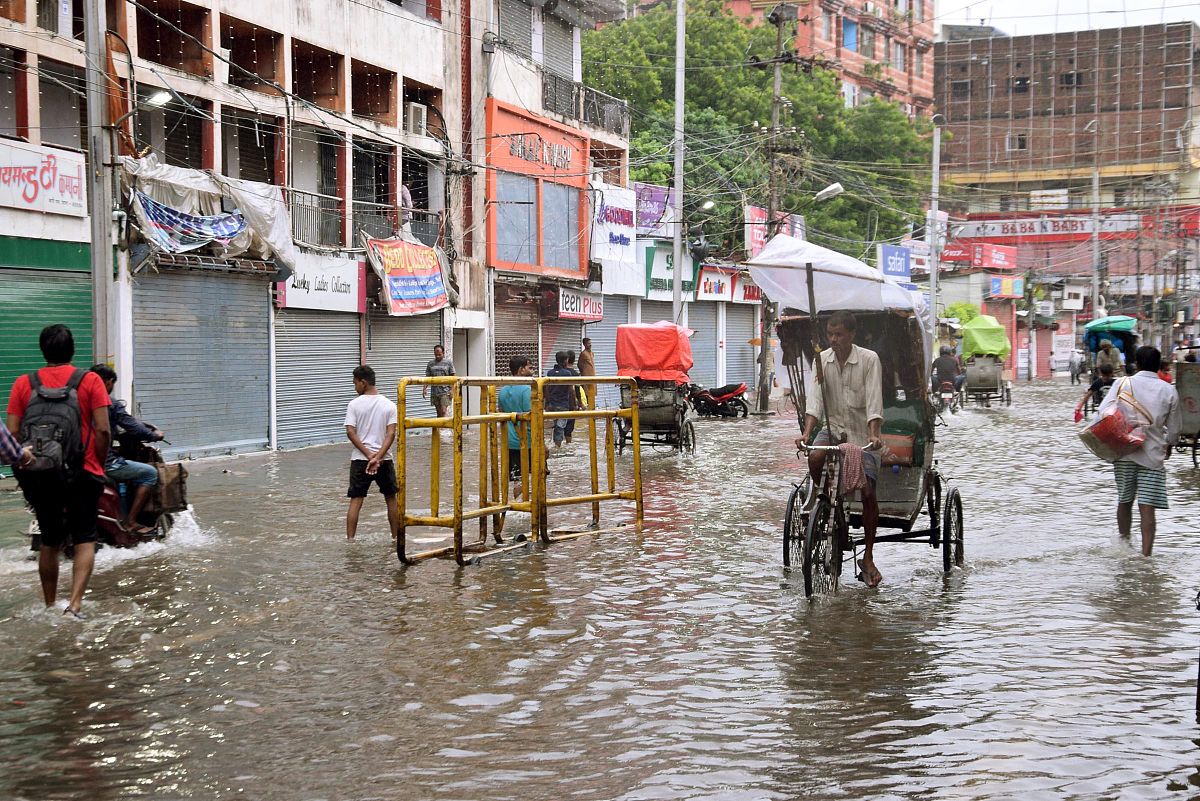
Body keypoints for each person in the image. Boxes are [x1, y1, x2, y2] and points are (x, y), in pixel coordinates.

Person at [6, 324, 111, 619]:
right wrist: (98, 465)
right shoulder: (90, 380)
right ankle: (74, 605)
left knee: (50, 541)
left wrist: (27, 468)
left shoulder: (23, 383)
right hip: (83, 471)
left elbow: (13, 433)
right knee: (84, 538)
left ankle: (49, 605)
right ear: (72, 350)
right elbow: (103, 429)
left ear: (43, 350)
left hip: (41, 473)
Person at [798, 311, 885, 587]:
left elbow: (874, 402)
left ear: (851, 335)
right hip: (833, 430)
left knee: (868, 492)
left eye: (839, 335)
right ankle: (824, 504)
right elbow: (814, 403)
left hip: (861, 436)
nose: (833, 340)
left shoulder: (869, 360)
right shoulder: (821, 361)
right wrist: (807, 432)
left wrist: (874, 434)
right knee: (814, 457)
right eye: (830, 335)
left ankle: (868, 556)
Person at [1096, 346, 1180, 556]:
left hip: (1124, 451)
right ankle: (1146, 556)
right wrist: (1168, 444)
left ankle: (1124, 547)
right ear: (1158, 364)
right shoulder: (1168, 390)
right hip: (1152, 455)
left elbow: (1103, 412)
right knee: (1147, 507)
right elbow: (1175, 430)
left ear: (1138, 364)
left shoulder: (1122, 383)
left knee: (1125, 500)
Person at [90, 365, 165, 537]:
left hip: (77, 462)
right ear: (108, 382)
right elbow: (133, 427)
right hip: (104, 462)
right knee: (149, 474)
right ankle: (130, 522)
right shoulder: (110, 403)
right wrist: (155, 435)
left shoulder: (77, 401)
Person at [344, 365, 398, 541]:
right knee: (391, 498)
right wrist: (378, 456)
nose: (355, 387)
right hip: (385, 460)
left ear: (363, 382)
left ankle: (350, 541)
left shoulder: (354, 405)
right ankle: (396, 539)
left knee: (356, 500)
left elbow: (350, 432)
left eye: (355, 384)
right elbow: (391, 434)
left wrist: (369, 456)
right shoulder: (389, 405)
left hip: (361, 460)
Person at [498, 356, 534, 499]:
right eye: (529, 367)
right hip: (527, 441)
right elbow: (531, 417)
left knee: (517, 479)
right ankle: (532, 511)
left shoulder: (503, 390)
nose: (531, 370)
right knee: (535, 476)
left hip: (509, 441)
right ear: (521, 370)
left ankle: (516, 508)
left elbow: (500, 412)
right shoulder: (527, 389)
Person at [545, 351, 577, 449]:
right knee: (560, 427)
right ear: (566, 361)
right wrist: (574, 405)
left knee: (558, 426)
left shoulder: (549, 373)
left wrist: (547, 403)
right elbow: (571, 390)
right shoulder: (567, 373)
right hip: (563, 405)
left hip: (553, 405)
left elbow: (546, 389)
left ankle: (557, 446)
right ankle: (557, 448)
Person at [422, 345, 455, 418]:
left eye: (439, 354)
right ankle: (438, 429)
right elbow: (428, 377)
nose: (437, 356)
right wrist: (424, 388)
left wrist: (452, 390)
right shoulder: (430, 363)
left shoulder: (448, 363)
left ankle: (444, 428)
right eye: (436, 354)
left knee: (443, 411)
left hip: (445, 391)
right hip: (435, 391)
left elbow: (453, 377)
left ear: (443, 353)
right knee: (438, 412)